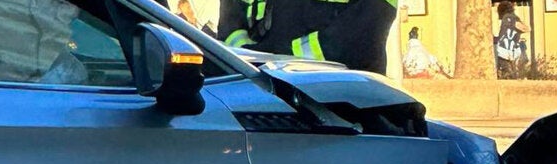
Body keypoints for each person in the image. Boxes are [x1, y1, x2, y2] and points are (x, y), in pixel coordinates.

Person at [162, 0, 396, 74]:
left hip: (350, 108)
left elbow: (358, 41)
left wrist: (277, 63)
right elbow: (230, 31)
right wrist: (255, 66)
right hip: (269, 104)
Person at [494, 1, 530, 79]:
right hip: (514, 50)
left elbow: (503, 34)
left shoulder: (506, 18)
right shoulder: (515, 17)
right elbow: (527, 29)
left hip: (504, 49)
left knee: (506, 72)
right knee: (514, 71)